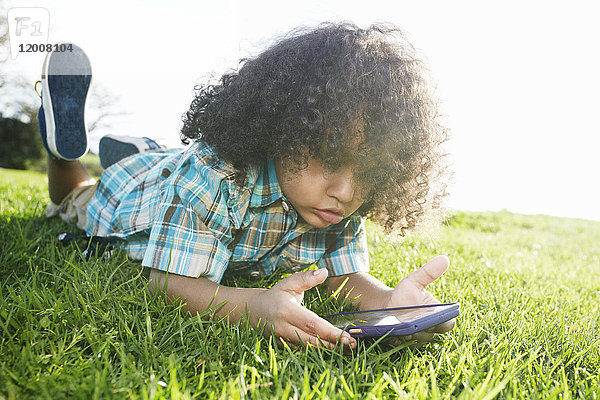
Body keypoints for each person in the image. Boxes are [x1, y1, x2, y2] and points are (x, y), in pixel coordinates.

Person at [39, 23, 454, 350]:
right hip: (136, 197)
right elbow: (168, 284)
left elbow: (342, 278)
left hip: (174, 174)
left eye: (366, 172)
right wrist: (254, 306)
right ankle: (67, 151)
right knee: (78, 197)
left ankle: (145, 149)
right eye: (329, 158)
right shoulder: (219, 176)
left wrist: (391, 305)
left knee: (163, 163)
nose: (345, 191)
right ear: (283, 128)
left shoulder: (337, 208)